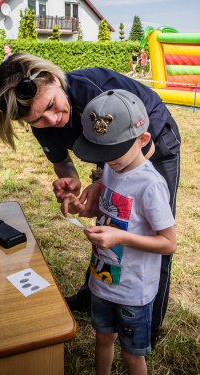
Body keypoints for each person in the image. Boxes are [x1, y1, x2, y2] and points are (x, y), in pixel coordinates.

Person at [0, 52, 181, 348]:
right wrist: (72, 184)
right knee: (108, 223)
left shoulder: (94, 94)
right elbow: (63, 162)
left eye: (52, 106)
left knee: (151, 234)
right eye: (38, 119)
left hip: (152, 144)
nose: (52, 120)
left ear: (54, 79)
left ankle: (145, 329)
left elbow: (138, 152)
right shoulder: (43, 119)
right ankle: (93, 294)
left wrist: (101, 182)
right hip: (115, 158)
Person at [60, 89, 176, 375]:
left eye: (113, 151)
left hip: (132, 292)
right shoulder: (112, 168)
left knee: (132, 354)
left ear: (143, 139)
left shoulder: (150, 186)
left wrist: (119, 238)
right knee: (103, 339)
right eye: (102, 153)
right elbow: (107, 210)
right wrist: (79, 208)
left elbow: (168, 243)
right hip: (102, 281)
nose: (108, 159)